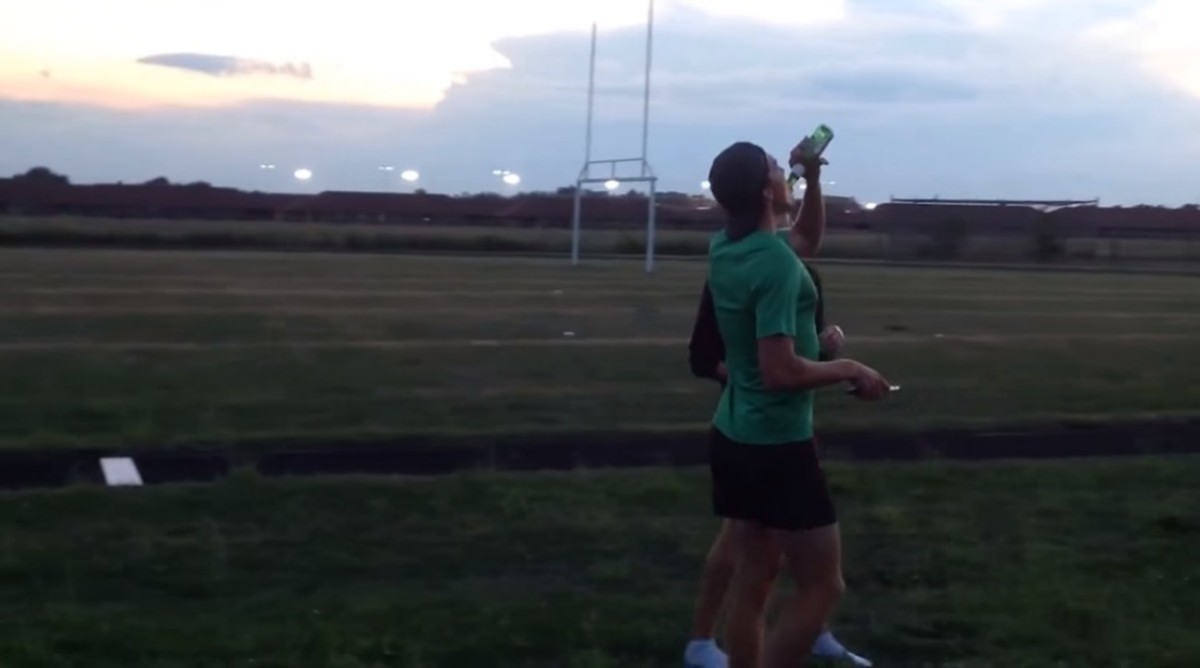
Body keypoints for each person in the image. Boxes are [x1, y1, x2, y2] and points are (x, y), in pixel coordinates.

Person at [693, 139, 892, 668]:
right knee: (824, 588)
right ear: (767, 190)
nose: (786, 172)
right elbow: (780, 373)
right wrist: (850, 368)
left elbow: (804, 237)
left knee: (755, 583)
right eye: (779, 169)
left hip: (734, 436)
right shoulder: (776, 268)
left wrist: (813, 179)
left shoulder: (727, 247)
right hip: (776, 447)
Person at [683, 249, 871, 667]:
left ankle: (812, 630)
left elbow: (794, 357)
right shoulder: (745, 268)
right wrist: (846, 368)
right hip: (756, 432)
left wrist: (821, 352)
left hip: (782, 428)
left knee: (774, 563)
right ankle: (700, 641)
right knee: (756, 555)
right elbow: (708, 358)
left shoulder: (799, 271)